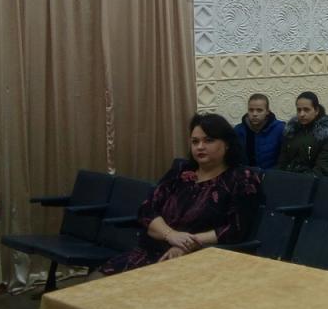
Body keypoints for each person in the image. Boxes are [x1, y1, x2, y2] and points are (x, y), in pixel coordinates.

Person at [101, 114, 260, 273]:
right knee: (98, 278)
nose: (200, 147)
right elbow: (147, 210)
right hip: (148, 251)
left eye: (208, 140)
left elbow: (235, 229)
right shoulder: (181, 171)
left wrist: (187, 244)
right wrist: (171, 235)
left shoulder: (242, 178)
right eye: (195, 141)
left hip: (199, 257)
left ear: (227, 144)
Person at [277, 91, 328, 176]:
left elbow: (322, 169)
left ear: (316, 110)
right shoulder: (291, 131)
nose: (302, 114)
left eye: (306, 110)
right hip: (288, 177)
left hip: (313, 180)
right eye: (299, 110)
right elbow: (282, 162)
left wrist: (299, 181)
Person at [234, 93, 284, 169]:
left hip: (272, 174)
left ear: (267, 111)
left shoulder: (280, 129)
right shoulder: (238, 130)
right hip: (245, 174)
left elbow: (285, 159)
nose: (254, 114)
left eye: (259, 110)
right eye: (251, 110)